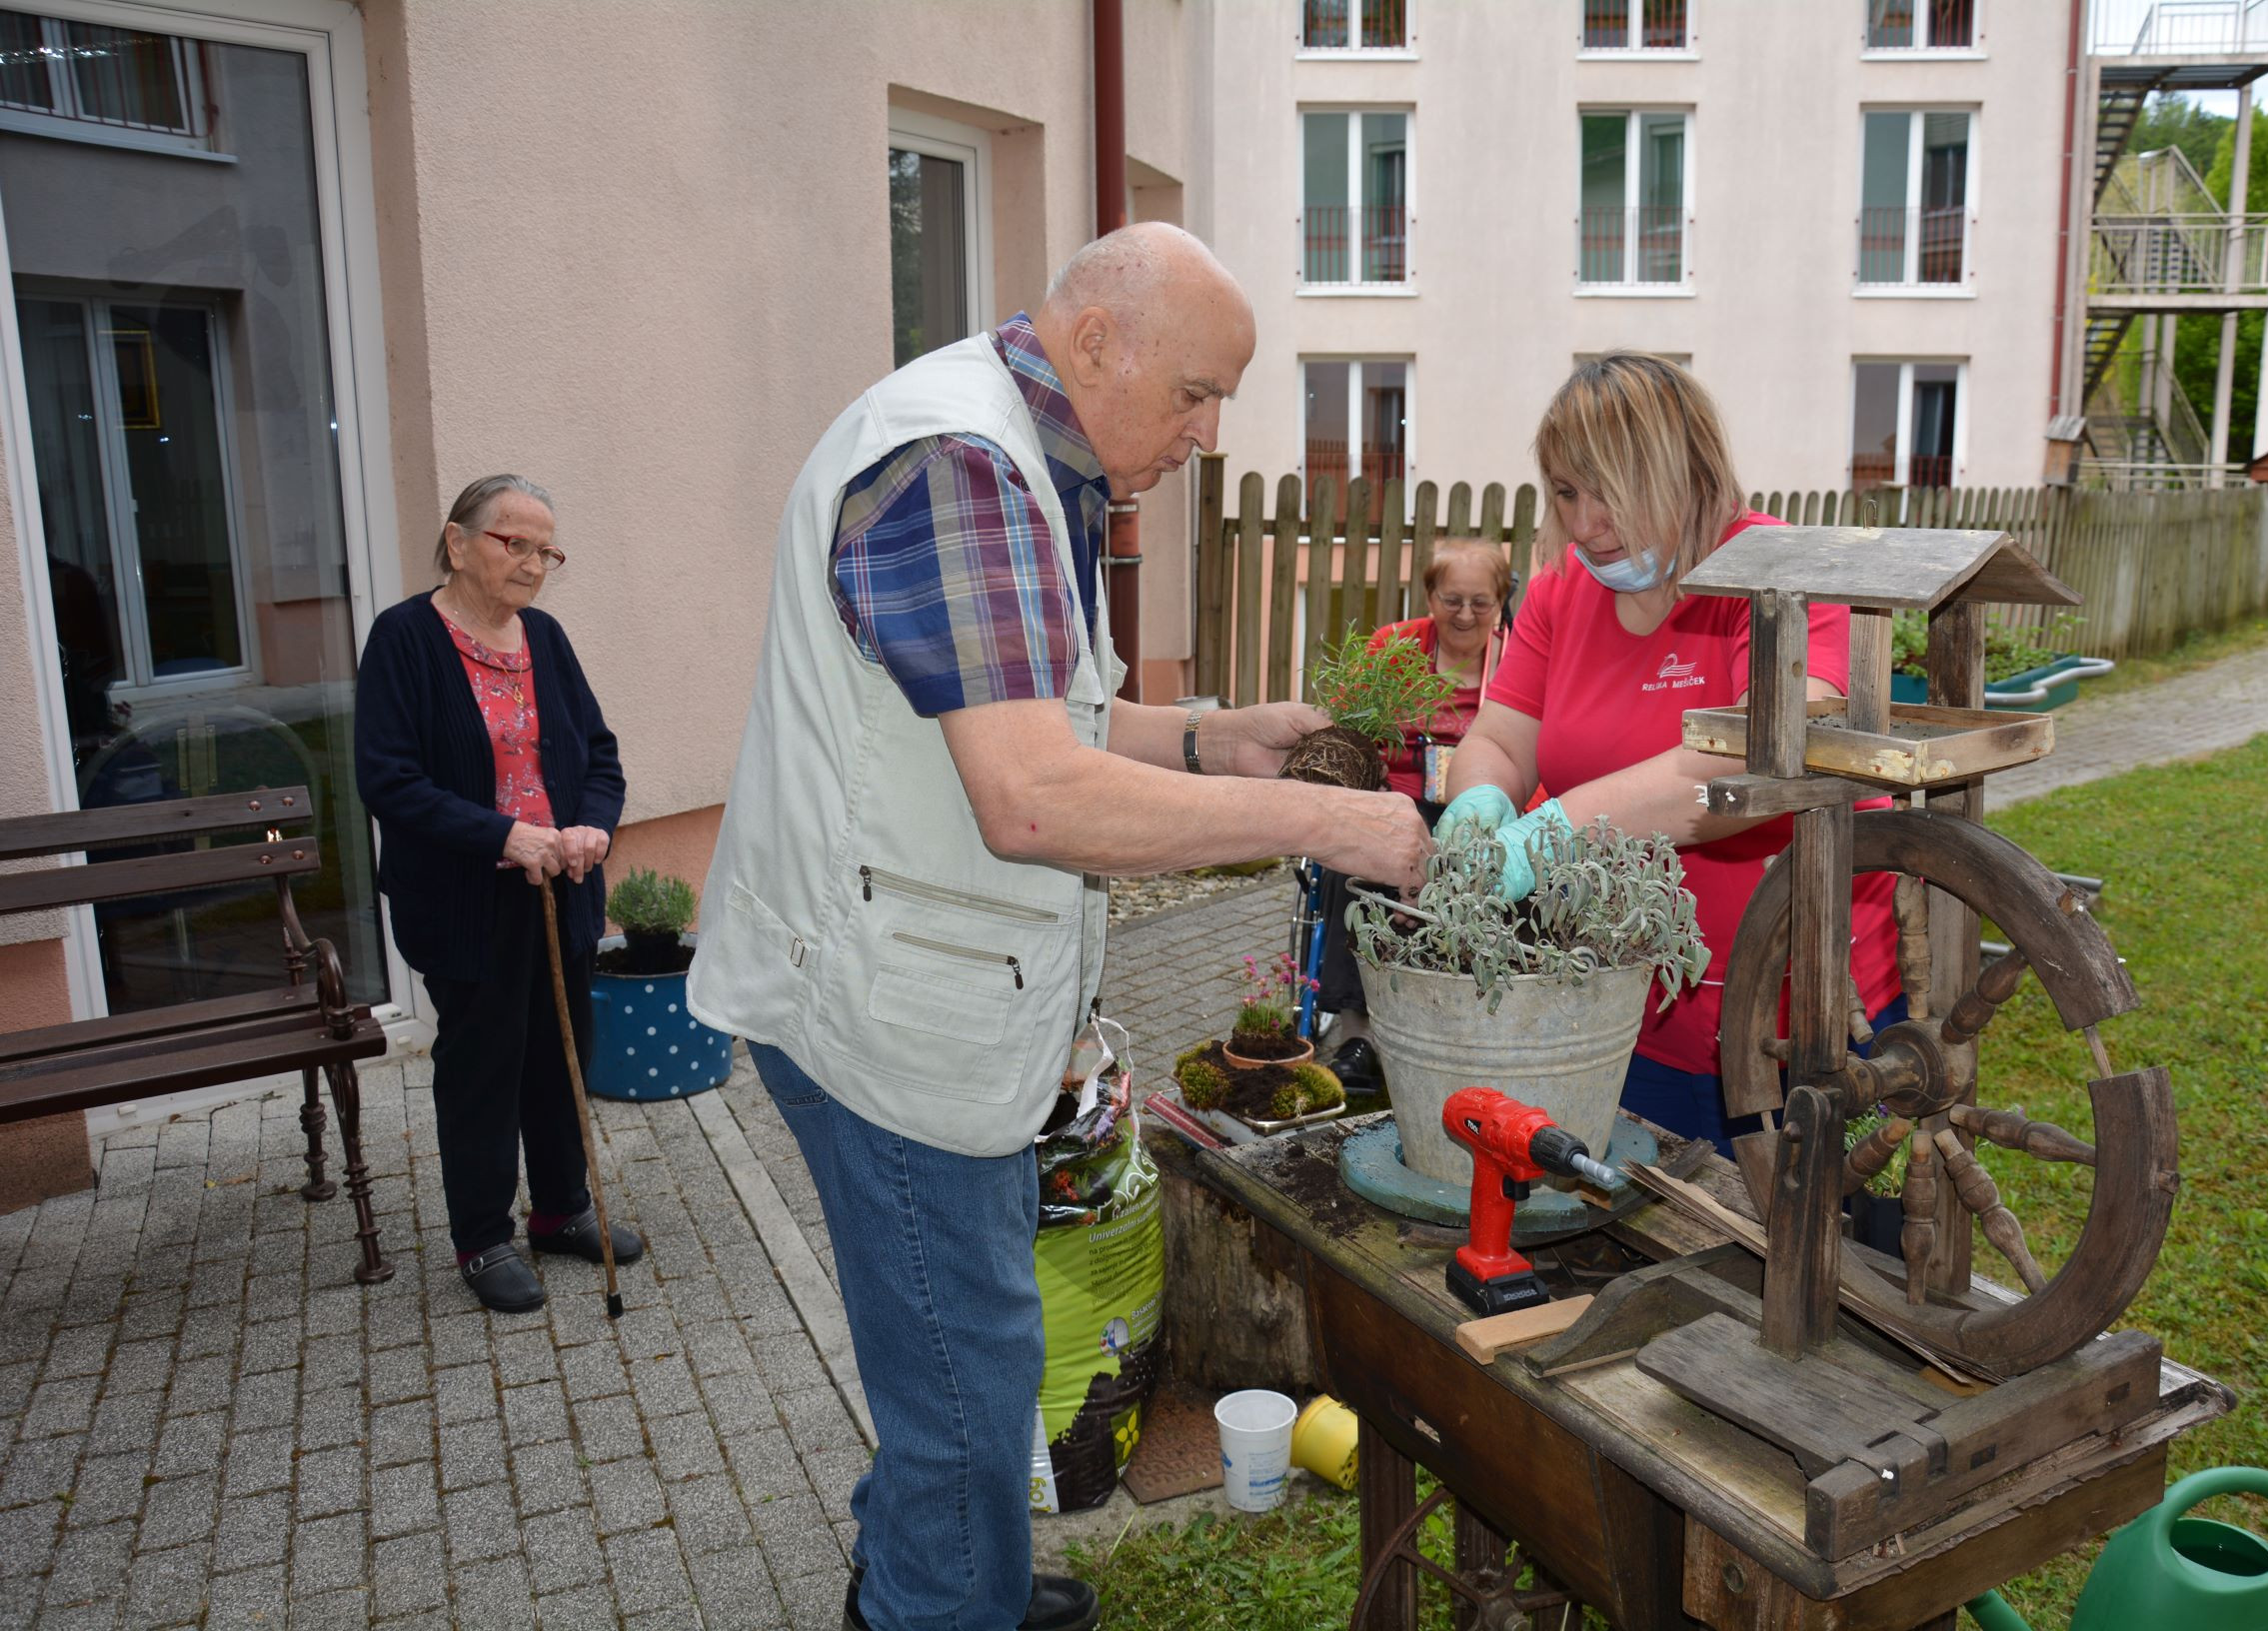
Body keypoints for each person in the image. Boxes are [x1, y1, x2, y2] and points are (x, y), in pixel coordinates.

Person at [688, 224, 1433, 1631]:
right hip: (882, 1019)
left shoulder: (1019, 449)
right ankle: (931, 1597)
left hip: (889, 983)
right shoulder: (960, 467)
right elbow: (1031, 797)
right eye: (1197, 393)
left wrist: (1221, 738)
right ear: (1100, 343)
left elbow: (1041, 710)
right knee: (970, 1386)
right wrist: (1327, 823)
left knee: (952, 1351)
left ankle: (926, 1558)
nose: (1208, 433)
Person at [1437, 354, 1901, 1154]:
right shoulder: (1559, 591)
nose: (1586, 524)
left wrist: (1549, 833)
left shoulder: (1781, 578)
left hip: (1797, 1017)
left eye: (1610, 490)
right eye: (1566, 492)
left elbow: (1747, 762)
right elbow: (1501, 734)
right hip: (1621, 1003)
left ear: (1686, 472)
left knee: (1818, 1253)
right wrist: (1480, 801)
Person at [355, 474, 642, 1313]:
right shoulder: (405, 639)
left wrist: (592, 825)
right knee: (483, 1066)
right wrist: (500, 835)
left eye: (544, 549)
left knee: (560, 1053)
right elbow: (389, 779)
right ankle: (482, 1239)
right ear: (456, 542)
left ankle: (559, 1212)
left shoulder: (544, 638)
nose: (531, 562)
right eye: (511, 541)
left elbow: (599, 753)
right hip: (465, 897)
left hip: (561, 887)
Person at [1316, 535, 1515, 1094]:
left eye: (1481, 602)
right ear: (1429, 596)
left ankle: (1459, 1021)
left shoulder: (1517, 657)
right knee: (1345, 865)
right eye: (1452, 599)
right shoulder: (1394, 648)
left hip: (1478, 810)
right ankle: (1359, 1033)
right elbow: (1348, 731)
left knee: (1489, 870)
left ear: (1499, 604)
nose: (1465, 614)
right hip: (1395, 800)